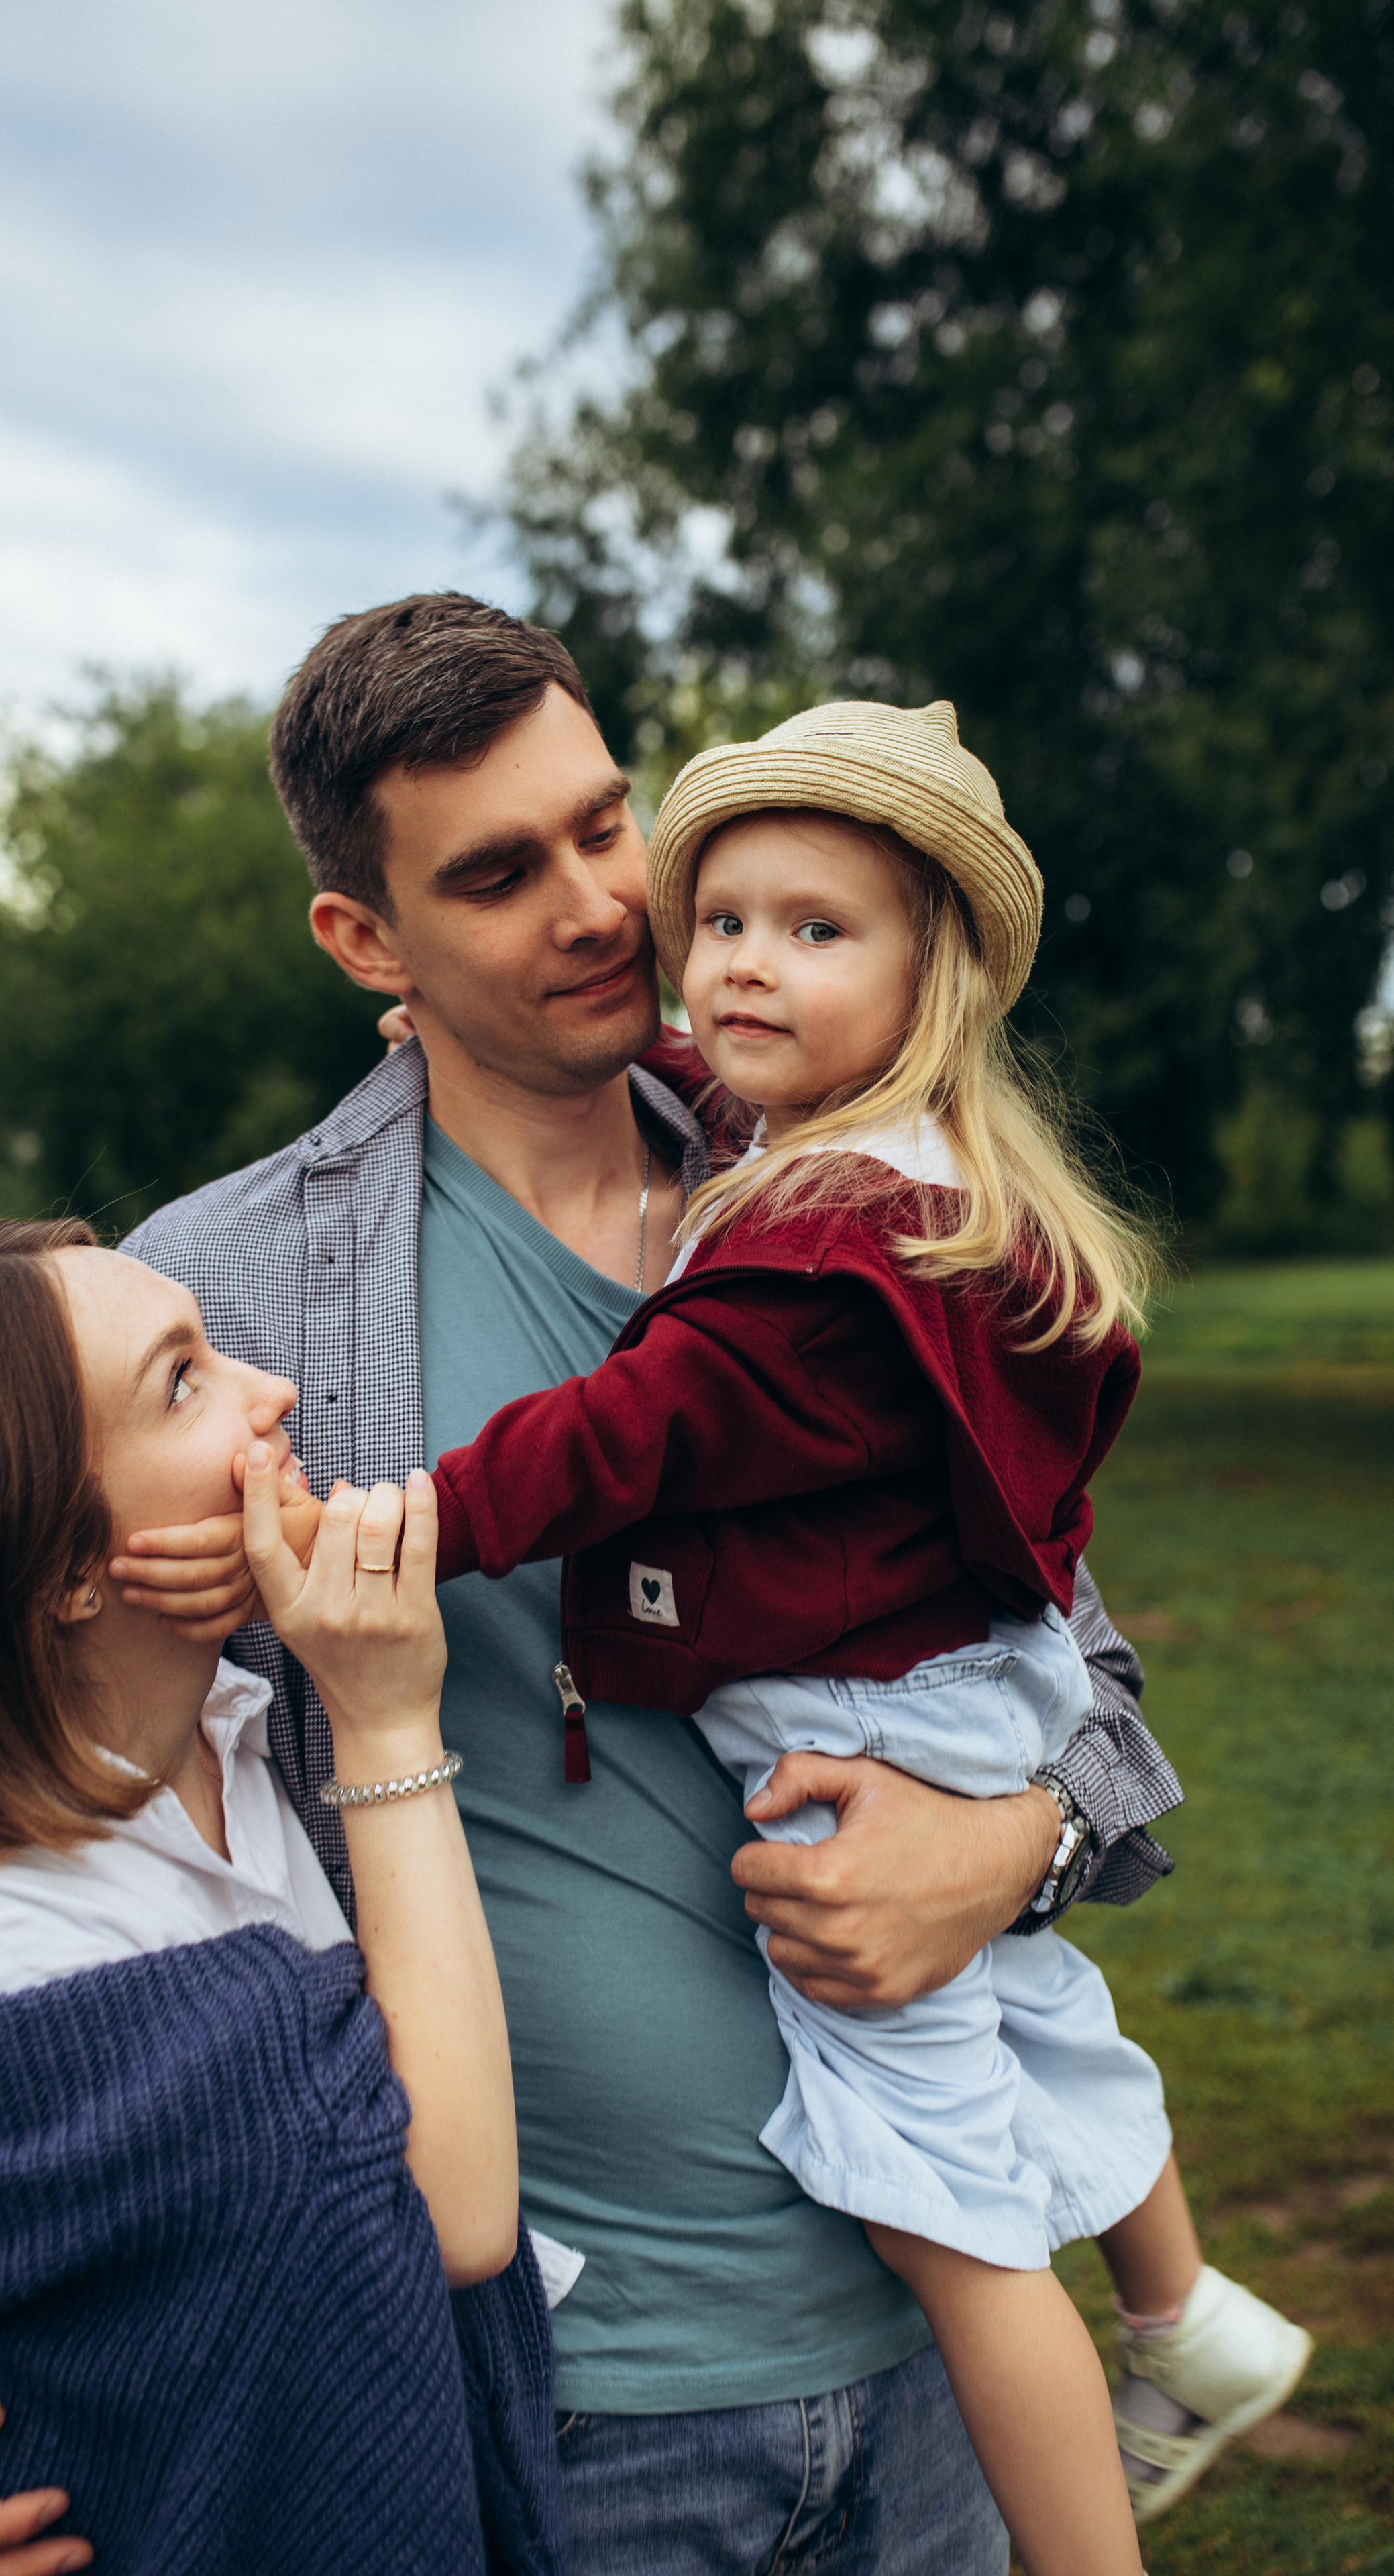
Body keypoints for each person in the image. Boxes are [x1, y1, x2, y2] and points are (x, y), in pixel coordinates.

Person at [0, 598, 1186, 2576]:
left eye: (606, 829)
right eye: (499, 875)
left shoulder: (858, 1201)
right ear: (367, 941)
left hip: (934, 2319)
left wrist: (1014, 1845)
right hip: (557, 2403)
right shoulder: (216, 1300)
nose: (598, 905)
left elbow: (1075, 1667)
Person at [416, 699, 1313, 2560]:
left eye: (816, 932)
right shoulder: (892, 1164)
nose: (746, 964)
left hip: (866, 1744)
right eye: (725, 918)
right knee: (1029, 2007)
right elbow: (730, 1060)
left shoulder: (811, 1258)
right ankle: (1189, 2308)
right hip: (966, 1686)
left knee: (958, 2234)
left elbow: (612, 1441)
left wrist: (409, 1521)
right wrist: (637, 1028)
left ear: (933, 984)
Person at [0, 1218, 564, 2576]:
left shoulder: (208, 1727)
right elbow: (444, 2212)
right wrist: (389, 1721)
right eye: (185, 1379)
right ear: (56, 1570)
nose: (270, 1390)